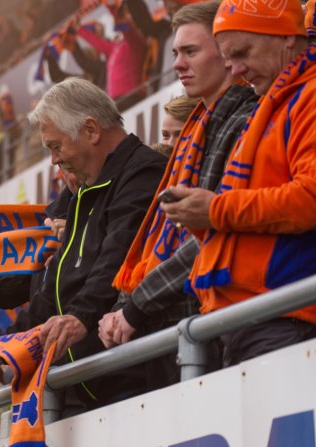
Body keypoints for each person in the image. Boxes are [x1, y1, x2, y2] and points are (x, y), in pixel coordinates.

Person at [99, 1, 260, 388]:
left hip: (211, 319)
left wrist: (135, 305)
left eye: (191, 51)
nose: (177, 64)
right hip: (183, 320)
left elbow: (207, 234)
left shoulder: (243, 120)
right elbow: (157, 235)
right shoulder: (196, 130)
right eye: (175, 53)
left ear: (226, 54)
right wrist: (127, 304)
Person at [160, 0, 316, 366]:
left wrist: (213, 210)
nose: (238, 70)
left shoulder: (305, 98)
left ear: (287, 40)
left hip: (282, 314)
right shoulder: (272, 104)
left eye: (242, 53)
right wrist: (200, 217)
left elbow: (309, 199)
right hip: (243, 317)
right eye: (230, 58)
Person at [25, 78, 166, 413]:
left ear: (90, 129)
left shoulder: (144, 171)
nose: (54, 162)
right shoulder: (87, 189)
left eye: (56, 147)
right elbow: (61, 277)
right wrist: (13, 341)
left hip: (130, 378)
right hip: (85, 382)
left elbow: (115, 257)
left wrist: (80, 317)